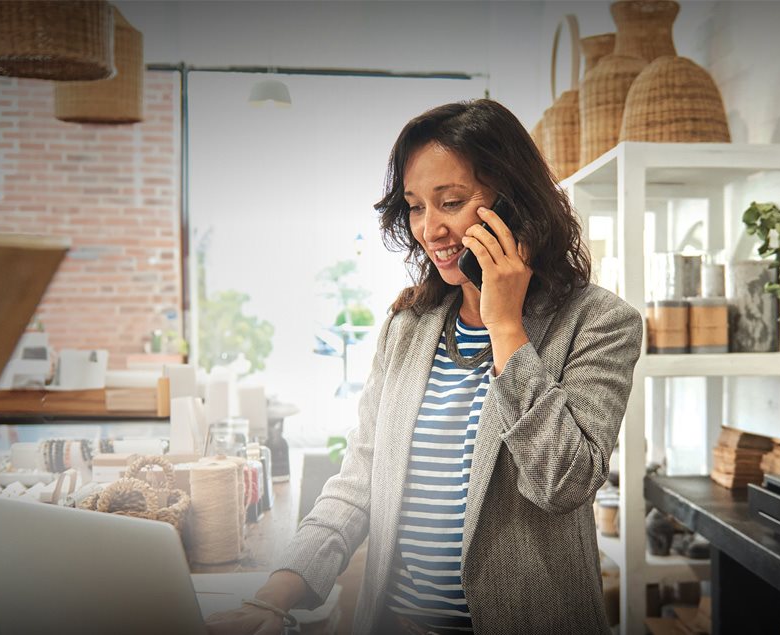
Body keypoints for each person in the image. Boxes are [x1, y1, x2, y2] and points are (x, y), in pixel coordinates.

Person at [205, 99, 643, 635]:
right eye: (415, 207)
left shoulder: (600, 323)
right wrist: (272, 598)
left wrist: (505, 326)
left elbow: (563, 484)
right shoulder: (408, 326)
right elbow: (360, 479)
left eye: (451, 202)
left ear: (515, 205)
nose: (429, 228)